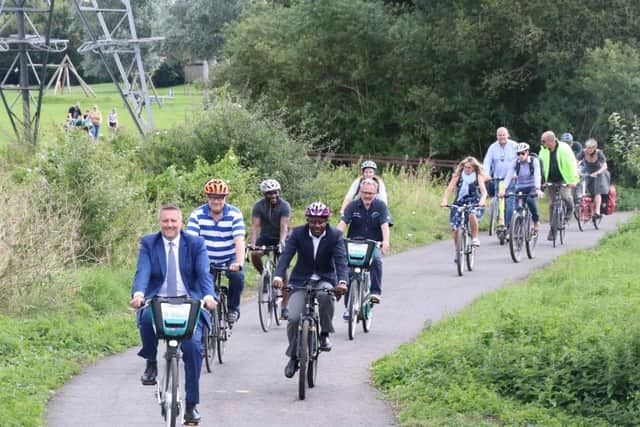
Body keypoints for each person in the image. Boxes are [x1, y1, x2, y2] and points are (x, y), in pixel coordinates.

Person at [130, 204, 216, 425]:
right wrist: (139, 293)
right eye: (165, 221)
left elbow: (204, 273)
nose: (169, 225)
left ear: (181, 222)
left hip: (189, 301)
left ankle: (191, 406)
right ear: (160, 222)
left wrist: (208, 296)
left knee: (193, 348)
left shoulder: (195, 244)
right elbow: (143, 271)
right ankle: (150, 361)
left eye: (173, 221)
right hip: (157, 300)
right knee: (146, 318)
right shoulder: (150, 242)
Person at [273, 202, 348, 379]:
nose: (316, 225)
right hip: (300, 279)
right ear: (308, 220)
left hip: (325, 278)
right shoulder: (298, 233)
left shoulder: (335, 236)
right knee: (292, 317)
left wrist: (343, 281)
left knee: (325, 295)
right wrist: (277, 276)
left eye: (320, 222)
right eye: (313, 221)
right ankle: (293, 356)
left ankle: (324, 334)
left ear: (326, 221)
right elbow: (286, 257)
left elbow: (341, 261)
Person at [187, 178, 246, 324]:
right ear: (207, 197)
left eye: (220, 198)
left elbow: (239, 240)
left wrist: (238, 263)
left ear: (225, 198)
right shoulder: (197, 214)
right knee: (200, 286)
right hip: (205, 258)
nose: (216, 201)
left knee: (238, 276)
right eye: (213, 198)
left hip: (229, 257)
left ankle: (233, 308)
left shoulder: (234, 214)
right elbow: (191, 241)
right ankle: (202, 323)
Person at [337, 178, 390, 319]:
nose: (367, 196)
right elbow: (342, 223)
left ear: (376, 193)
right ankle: (348, 308)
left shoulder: (381, 206)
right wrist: (335, 239)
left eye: (371, 193)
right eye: (365, 192)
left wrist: (385, 241)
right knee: (348, 272)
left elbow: (384, 225)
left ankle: (375, 292)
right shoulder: (352, 206)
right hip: (353, 243)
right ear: (360, 192)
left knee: (377, 260)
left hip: (374, 244)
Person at [249, 179, 291, 319]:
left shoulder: (284, 205)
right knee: (255, 254)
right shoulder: (258, 206)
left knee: (283, 271)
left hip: (281, 237)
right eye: (269, 194)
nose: (273, 196)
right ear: (264, 194)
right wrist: (253, 243)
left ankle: (285, 306)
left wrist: (282, 242)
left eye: (275, 193)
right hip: (266, 237)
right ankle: (265, 276)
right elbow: (255, 226)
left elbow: (284, 226)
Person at [539, 131, 579, 240]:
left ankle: (571, 209)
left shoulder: (564, 149)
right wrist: (541, 182)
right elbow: (540, 167)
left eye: (544, 141)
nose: (542, 143)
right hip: (551, 179)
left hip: (564, 178)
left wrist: (573, 180)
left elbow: (572, 164)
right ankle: (553, 230)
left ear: (551, 141)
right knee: (552, 204)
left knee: (565, 195)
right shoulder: (543, 150)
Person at [440, 156, 488, 248]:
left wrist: (482, 200)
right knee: (455, 228)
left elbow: (484, 191)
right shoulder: (458, 175)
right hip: (459, 202)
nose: (467, 169)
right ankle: (458, 251)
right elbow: (449, 189)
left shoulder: (478, 176)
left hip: (474, 202)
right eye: (465, 167)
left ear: (474, 168)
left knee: (471, 214)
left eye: (469, 167)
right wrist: (444, 200)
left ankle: (474, 238)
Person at [499, 143, 544, 233]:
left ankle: (536, 221)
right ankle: (515, 225)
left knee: (530, 200)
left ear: (527, 152)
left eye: (522, 153)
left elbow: (537, 175)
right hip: (520, 187)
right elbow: (508, 176)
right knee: (514, 204)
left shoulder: (534, 161)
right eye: (518, 154)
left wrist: (538, 188)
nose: (520, 156)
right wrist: (503, 189)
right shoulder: (515, 163)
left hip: (532, 186)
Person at [482, 127, 518, 230]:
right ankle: (500, 223)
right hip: (498, 179)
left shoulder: (514, 146)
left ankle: (509, 225)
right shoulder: (493, 147)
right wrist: (486, 174)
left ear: (508, 135)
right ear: (497, 136)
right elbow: (487, 161)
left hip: (511, 179)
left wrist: (515, 172)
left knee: (510, 203)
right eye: (499, 135)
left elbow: (519, 161)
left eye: (503, 135)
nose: (501, 137)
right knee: (499, 201)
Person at [576, 138, 609, 218]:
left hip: (598, 173)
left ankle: (597, 212)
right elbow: (576, 161)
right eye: (587, 147)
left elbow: (605, 166)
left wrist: (597, 172)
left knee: (597, 191)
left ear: (595, 148)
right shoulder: (583, 152)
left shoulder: (599, 153)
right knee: (579, 186)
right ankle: (580, 207)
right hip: (587, 172)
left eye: (591, 148)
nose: (588, 149)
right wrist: (576, 169)